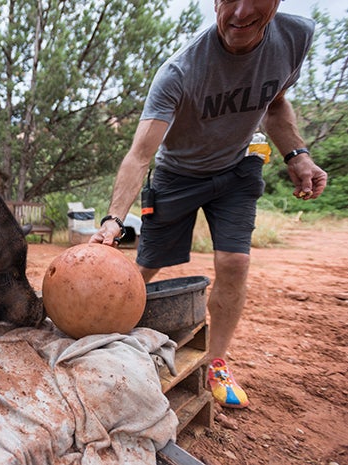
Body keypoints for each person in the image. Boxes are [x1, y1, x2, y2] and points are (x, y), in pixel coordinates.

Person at [90, 0, 328, 409]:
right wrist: (114, 219)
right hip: (177, 174)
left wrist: (296, 154)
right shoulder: (180, 71)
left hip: (238, 169)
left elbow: (274, 102)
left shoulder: (295, 37)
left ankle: (216, 361)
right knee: (144, 267)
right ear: (214, 2)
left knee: (235, 262)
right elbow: (140, 155)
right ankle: (100, 340)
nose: (239, 13)